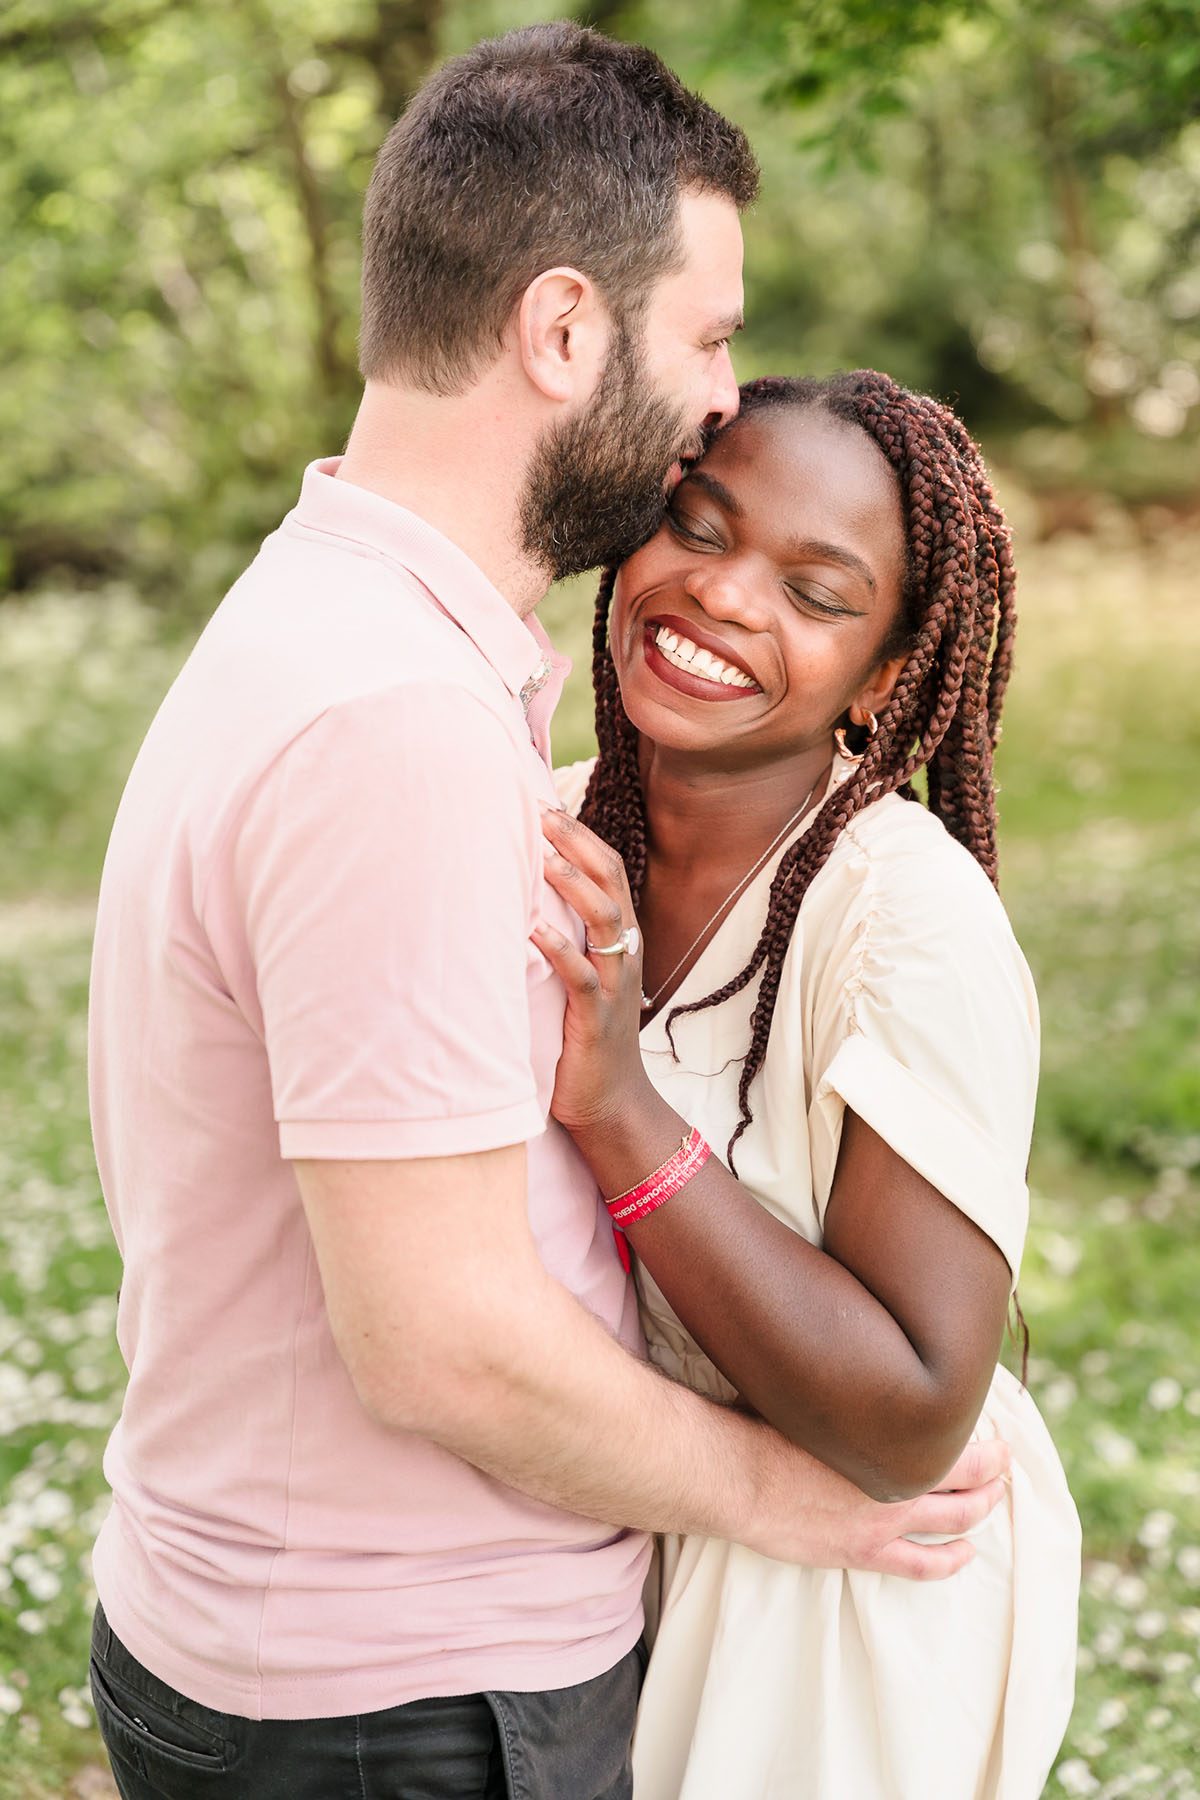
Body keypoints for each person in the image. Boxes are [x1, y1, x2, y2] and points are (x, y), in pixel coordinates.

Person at [86, 26, 1009, 1799]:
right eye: (712, 336)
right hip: (401, 1703)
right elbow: (442, 1348)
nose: (730, 395)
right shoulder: (392, 720)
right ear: (566, 329)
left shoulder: (349, 625)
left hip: (339, 1664)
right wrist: (791, 1503)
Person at [540, 371, 1081, 1799]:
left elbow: (912, 1416)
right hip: (595, 1566)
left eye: (818, 593)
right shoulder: (540, 826)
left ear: (891, 675)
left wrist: (620, 1113)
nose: (721, 596)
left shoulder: (904, 921)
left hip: (836, 1620)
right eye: (700, 528)